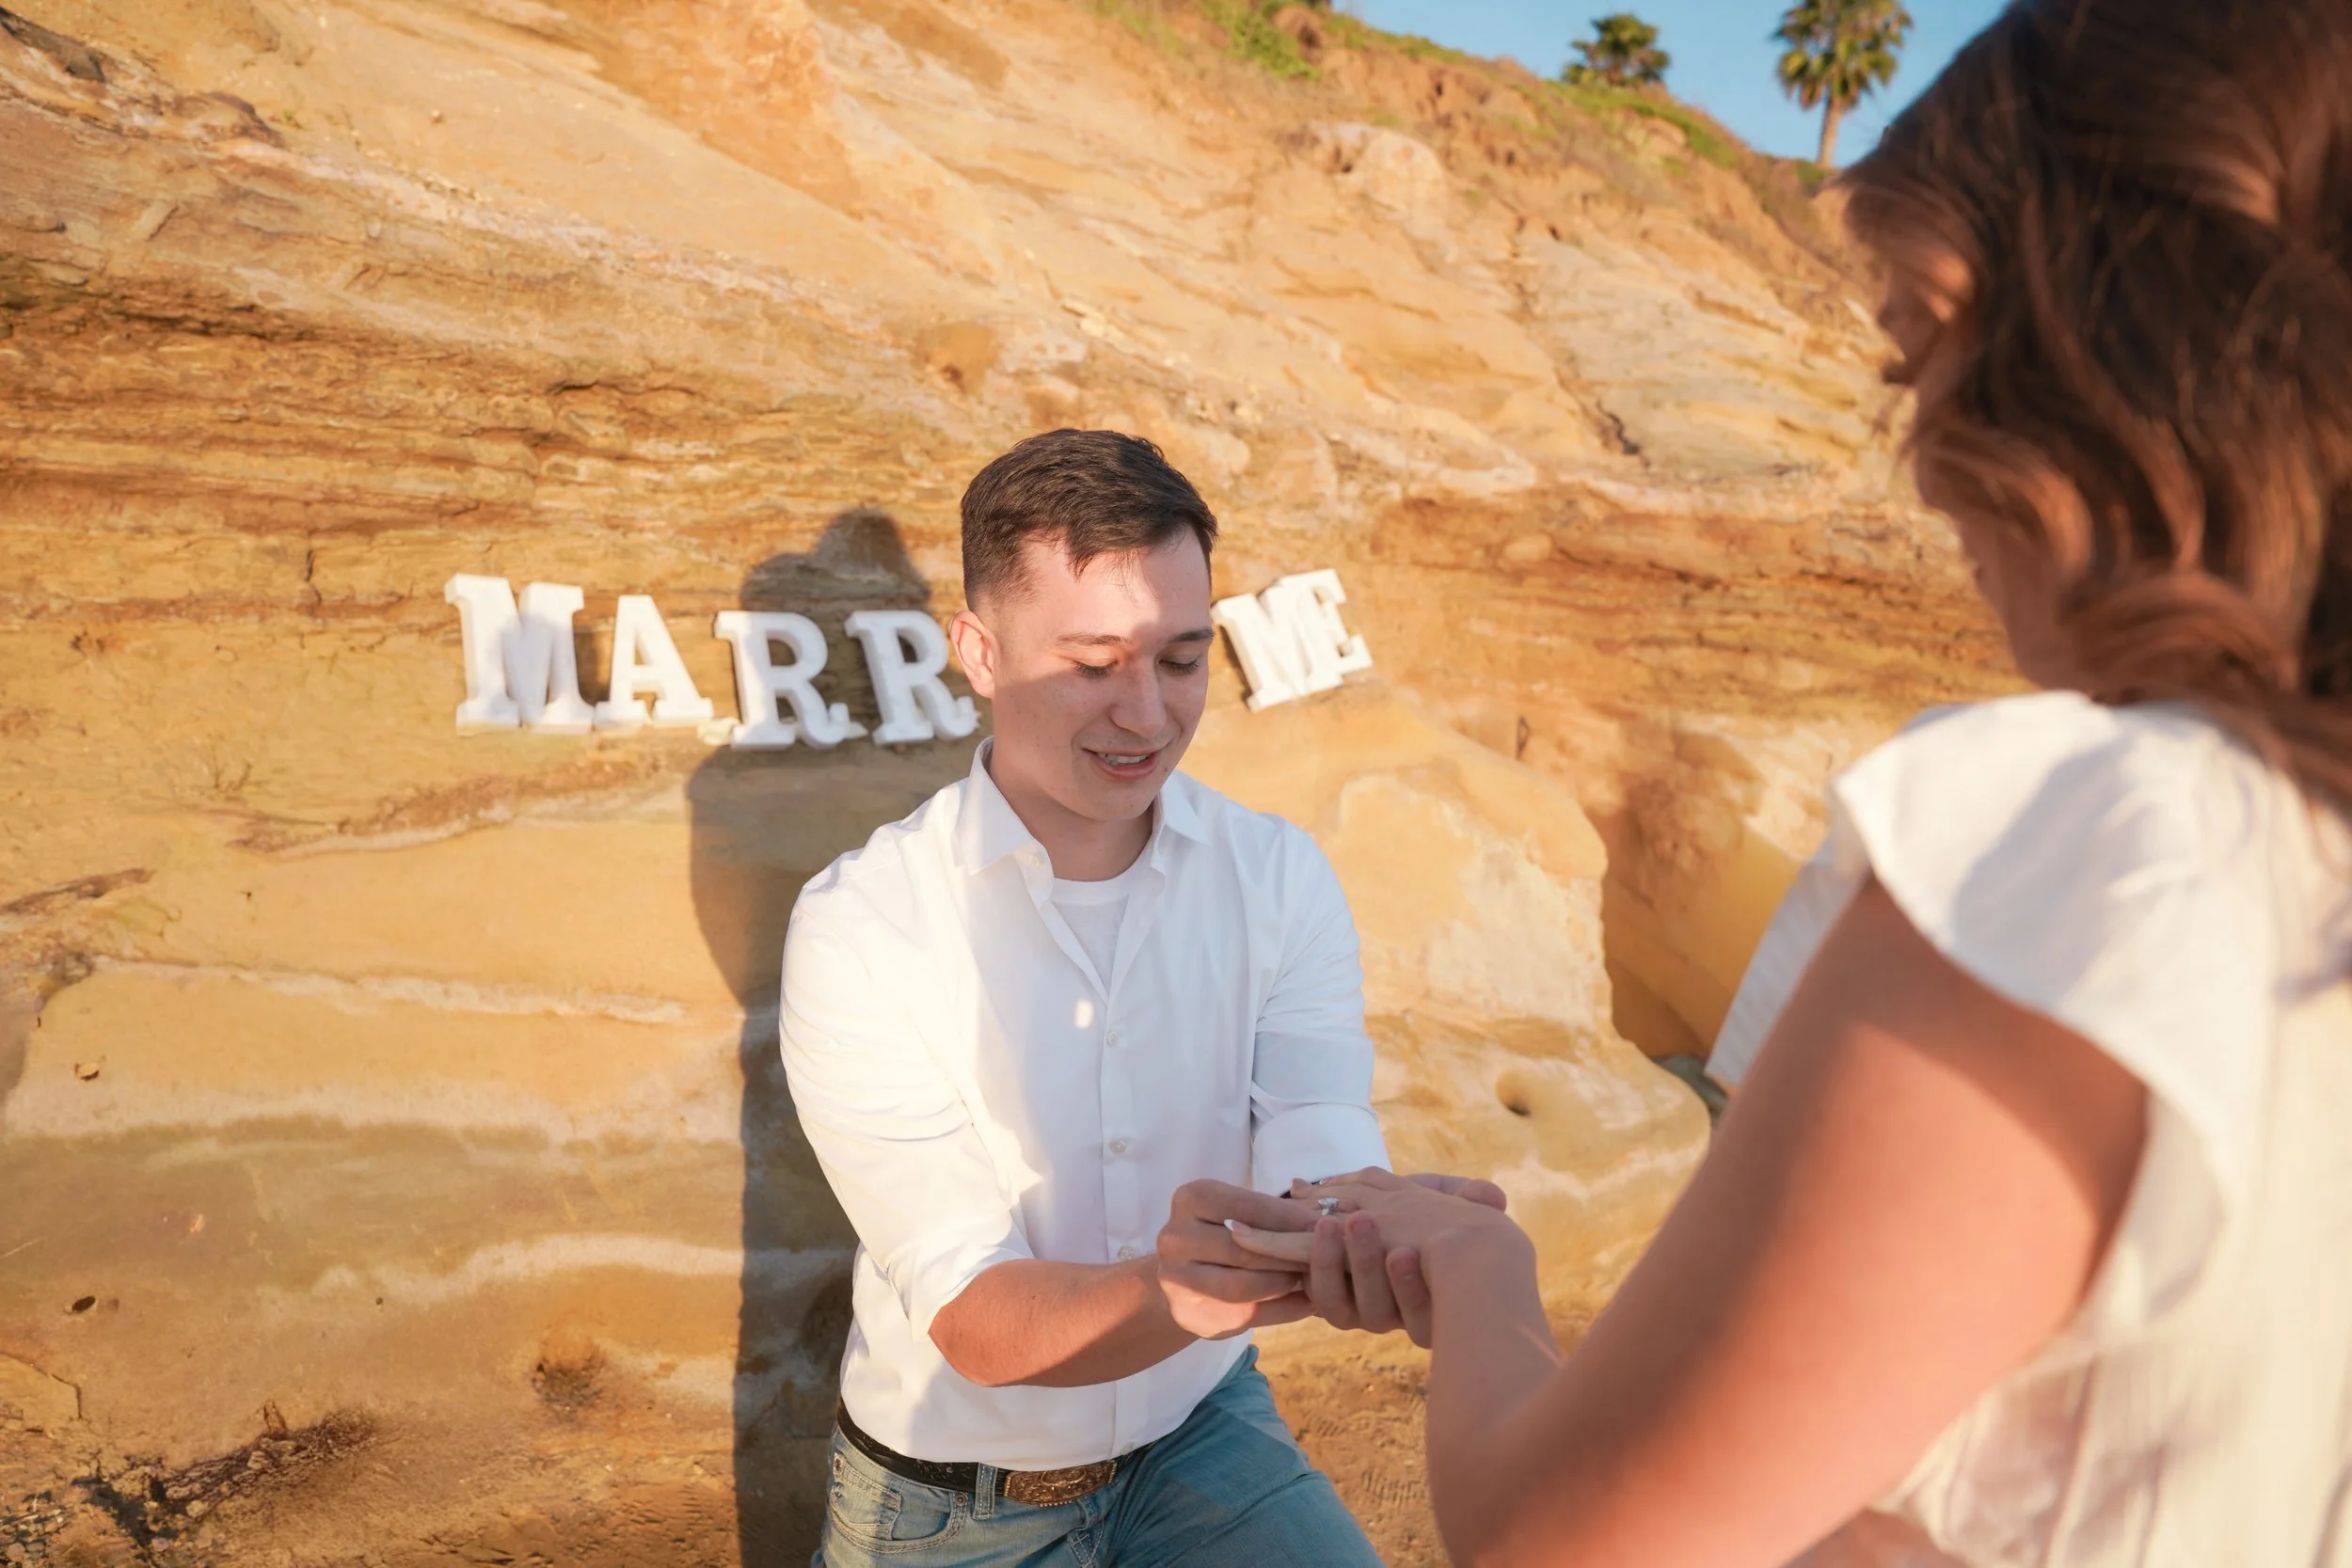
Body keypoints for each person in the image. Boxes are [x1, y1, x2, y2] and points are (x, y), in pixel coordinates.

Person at [1238, 3, 2352, 1564]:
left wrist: (1478, 1283)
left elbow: (1569, 1546)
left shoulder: (2091, 846)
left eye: (1923, 353)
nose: (1919, 452)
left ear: (2082, 344)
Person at [779, 427, 1497, 1566]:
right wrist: (1183, 1288)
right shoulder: (861, 925)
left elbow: (1314, 1127)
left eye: (1178, 657)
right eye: (1091, 661)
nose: (1147, 715)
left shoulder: (1277, 875)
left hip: (1200, 1425)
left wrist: (1356, 1220)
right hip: (951, 1496)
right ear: (977, 649)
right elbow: (975, 1315)